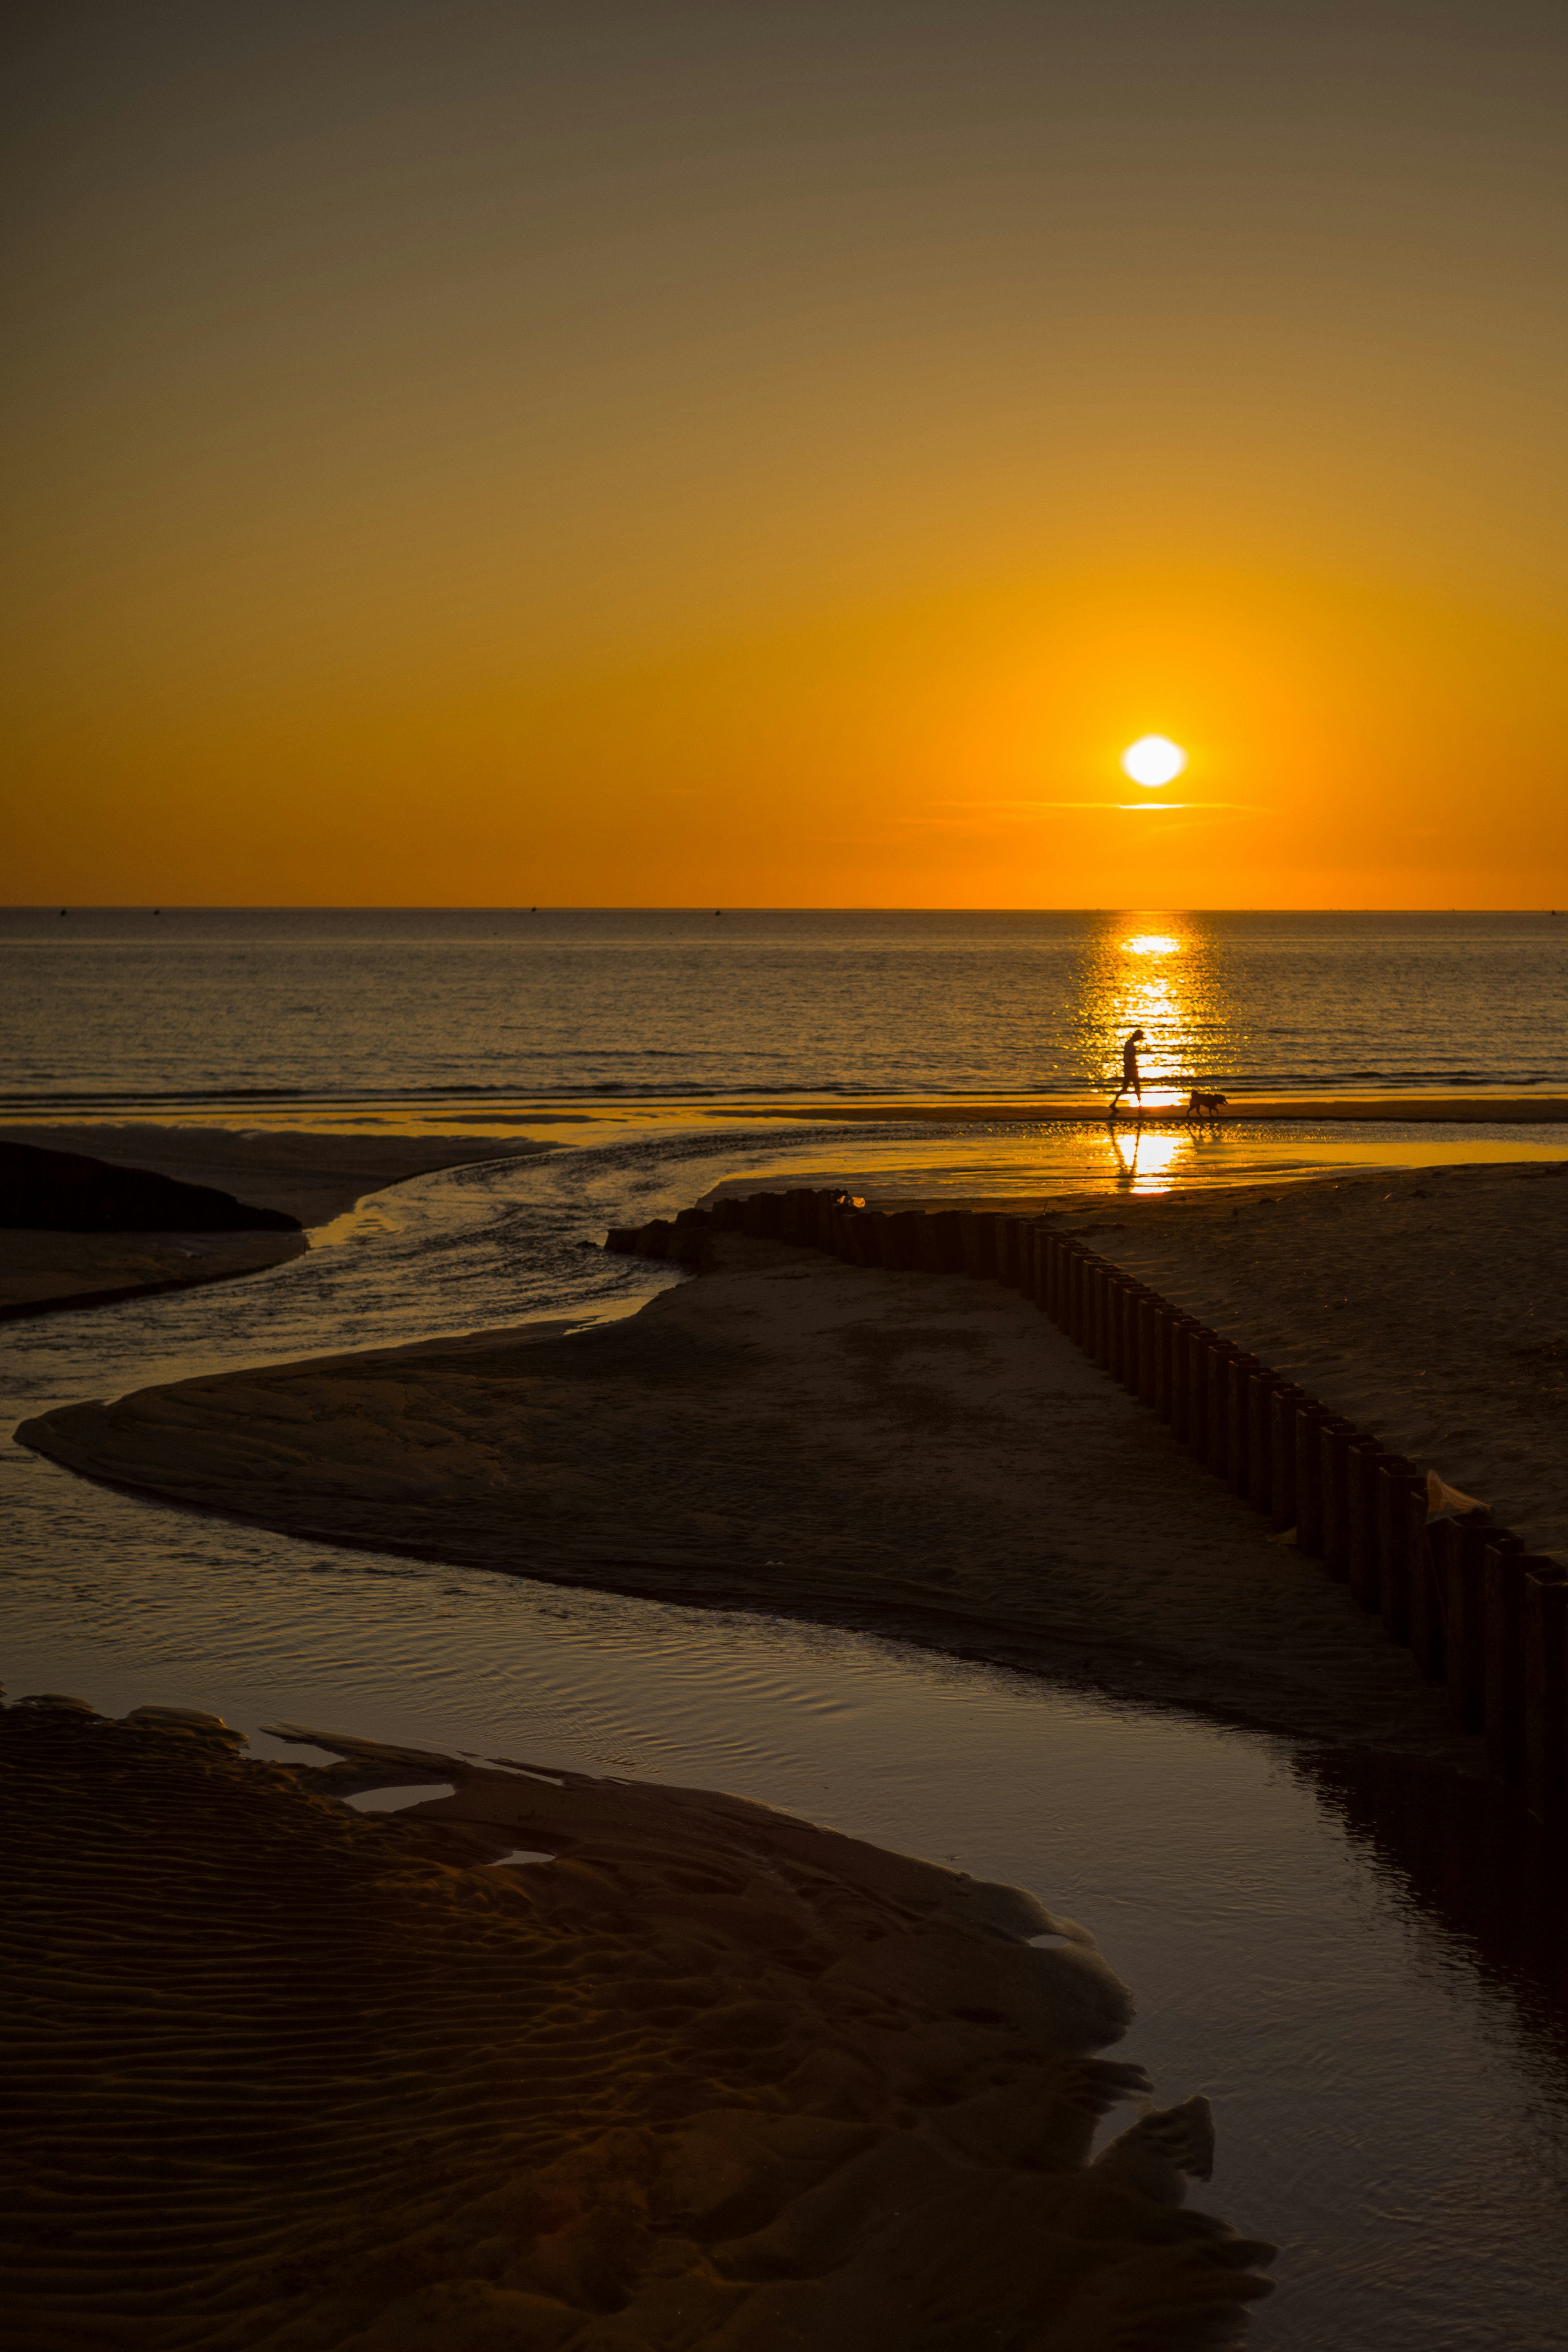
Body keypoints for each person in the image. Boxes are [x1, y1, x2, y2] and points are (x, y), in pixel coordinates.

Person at [1109, 1026, 1145, 1115]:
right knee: (1136, 1087)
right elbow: (1130, 1056)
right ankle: (1140, 1107)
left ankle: (1114, 1104)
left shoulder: (1129, 1044)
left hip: (1129, 1068)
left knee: (1126, 1087)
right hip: (1131, 1069)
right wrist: (1134, 1066)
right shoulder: (1130, 1045)